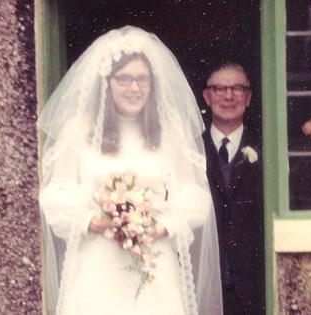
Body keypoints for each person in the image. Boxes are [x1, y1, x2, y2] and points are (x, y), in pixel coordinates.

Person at [38, 26, 222, 315]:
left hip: (154, 265)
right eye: (124, 79)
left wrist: (163, 226)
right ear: (107, 82)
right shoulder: (79, 130)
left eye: (142, 80)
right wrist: (96, 221)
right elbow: (56, 192)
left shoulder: (168, 133)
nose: (134, 88)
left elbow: (193, 194)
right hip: (97, 265)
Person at [201, 61, 266, 315]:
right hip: (205, 285)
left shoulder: (266, 147)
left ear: (248, 97)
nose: (228, 95)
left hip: (253, 289)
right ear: (207, 96)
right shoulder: (189, 149)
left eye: (237, 88)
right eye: (219, 88)